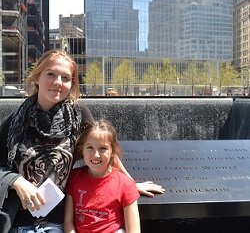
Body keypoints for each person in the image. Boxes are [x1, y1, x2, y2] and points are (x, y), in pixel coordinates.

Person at [0, 50, 164, 232]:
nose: (58, 83)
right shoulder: (14, 122)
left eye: (65, 78)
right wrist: (16, 181)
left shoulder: (78, 115)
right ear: (37, 78)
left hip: (59, 220)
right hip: (20, 220)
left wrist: (130, 184)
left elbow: (103, 148)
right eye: (51, 74)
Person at [64, 119, 140, 233]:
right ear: (82, 150)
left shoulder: (125, 184)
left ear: (112, 152)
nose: (96, 155)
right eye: (90, 148)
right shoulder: (75, 177)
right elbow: (68, 222)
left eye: (103, 148)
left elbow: (133, 230)